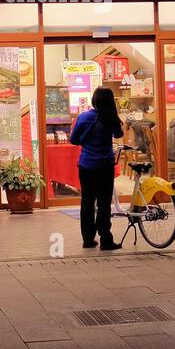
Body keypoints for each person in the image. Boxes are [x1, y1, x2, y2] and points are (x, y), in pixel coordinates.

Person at [69, 86, 124, 251]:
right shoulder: (110, 118)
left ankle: (88, 239)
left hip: (86, 166)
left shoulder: (84, 117)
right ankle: (106, 239)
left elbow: (73, 139)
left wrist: (85, 142)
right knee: (104, 203)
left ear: (94, 100)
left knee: (87, 201)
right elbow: (119, 135)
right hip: (105, 166)